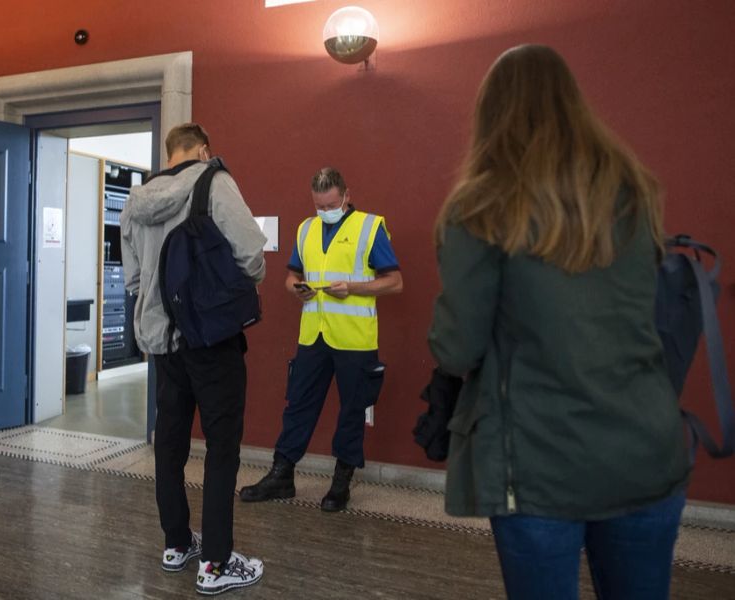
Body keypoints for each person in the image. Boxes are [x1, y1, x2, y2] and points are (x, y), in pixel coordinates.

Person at [427, 45, 690, 599]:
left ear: (491, 113)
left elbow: (457, 346)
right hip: (648, 446)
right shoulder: (633, 191)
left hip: (540, 459)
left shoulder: (481, 206)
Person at [121, 123, 267, 596]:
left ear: (169, 155)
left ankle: (176, 543)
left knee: (169, 443)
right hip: (210, 340)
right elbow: (252, 256)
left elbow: (133, 281)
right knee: (222, 447)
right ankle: (217, 564)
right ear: (204, 149)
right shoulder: (214, 181)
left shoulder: (136, 200)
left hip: (162, 344)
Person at [239, 167, 403, 512]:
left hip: (355, 340)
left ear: (346, 196)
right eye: (318, 204)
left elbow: (395, 282)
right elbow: (291, 275)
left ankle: (340, 484)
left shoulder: (370, 228)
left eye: (330, 203)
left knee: (351, 412)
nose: (324, 210)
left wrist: (353, 288)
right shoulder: (306, 229)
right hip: (313, 336)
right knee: (298, 405)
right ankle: (282, 474)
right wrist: (295, 290)